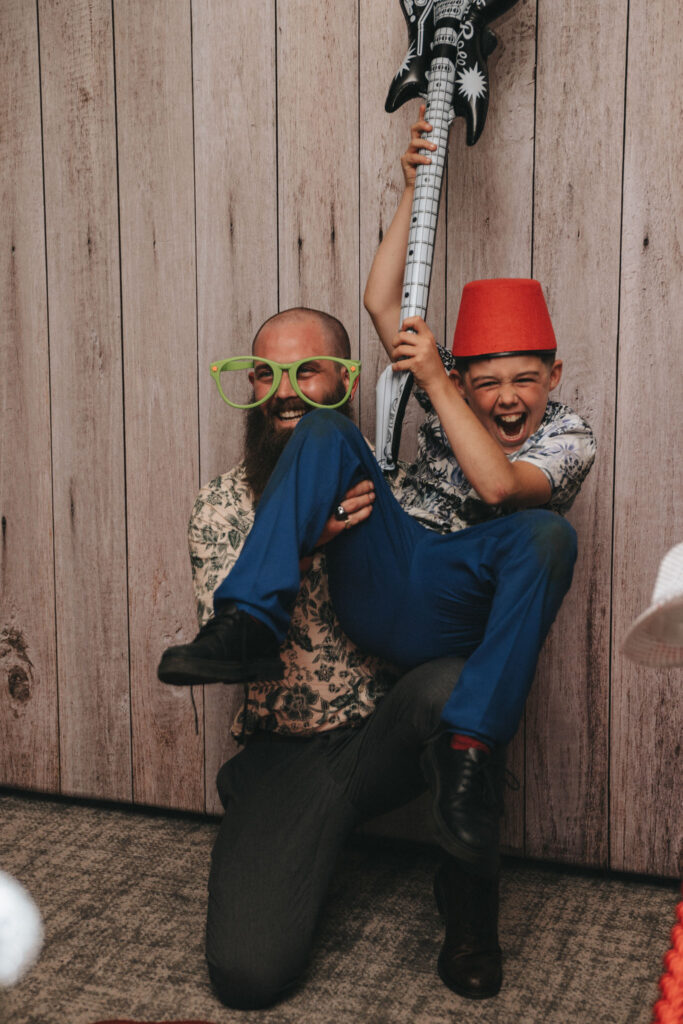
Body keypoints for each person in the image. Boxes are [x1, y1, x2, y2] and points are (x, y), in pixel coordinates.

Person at [174, 306, 491, 1009]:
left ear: (344, 384)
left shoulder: (397, 495)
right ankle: (263, 803)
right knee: (248, 977)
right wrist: (303, 542)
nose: (282, 389)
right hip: (289, 751)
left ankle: (471, 906)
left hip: (385, 735)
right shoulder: (220, 507)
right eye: (265, 372)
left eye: (305, 370)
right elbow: (236, 661)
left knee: (458, 682)